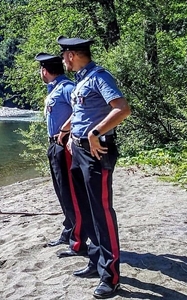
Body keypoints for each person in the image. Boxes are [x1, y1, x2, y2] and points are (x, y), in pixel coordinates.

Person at [56, 36, 131, 299]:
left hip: (97, 152)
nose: (63, 60)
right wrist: (70, 136)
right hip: (79, 151)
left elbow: (122, 109)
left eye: (64, 55)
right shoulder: (81, 80)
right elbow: (80, 113)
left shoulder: (100, 76)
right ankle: (96, 263)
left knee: (101, 211)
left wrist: (95, 133)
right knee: (86, 209)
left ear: (72, 55)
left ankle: (111, 278)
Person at [34, 53, 88, 258]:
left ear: (45, 70)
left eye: (41, 69)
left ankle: (78, 238)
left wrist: (65, 131)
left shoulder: (67, 88)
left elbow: (81, 111)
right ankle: (69, 229)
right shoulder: (55, 89)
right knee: (61, 191)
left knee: (71, 193)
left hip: (64, 145)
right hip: (54, 144)